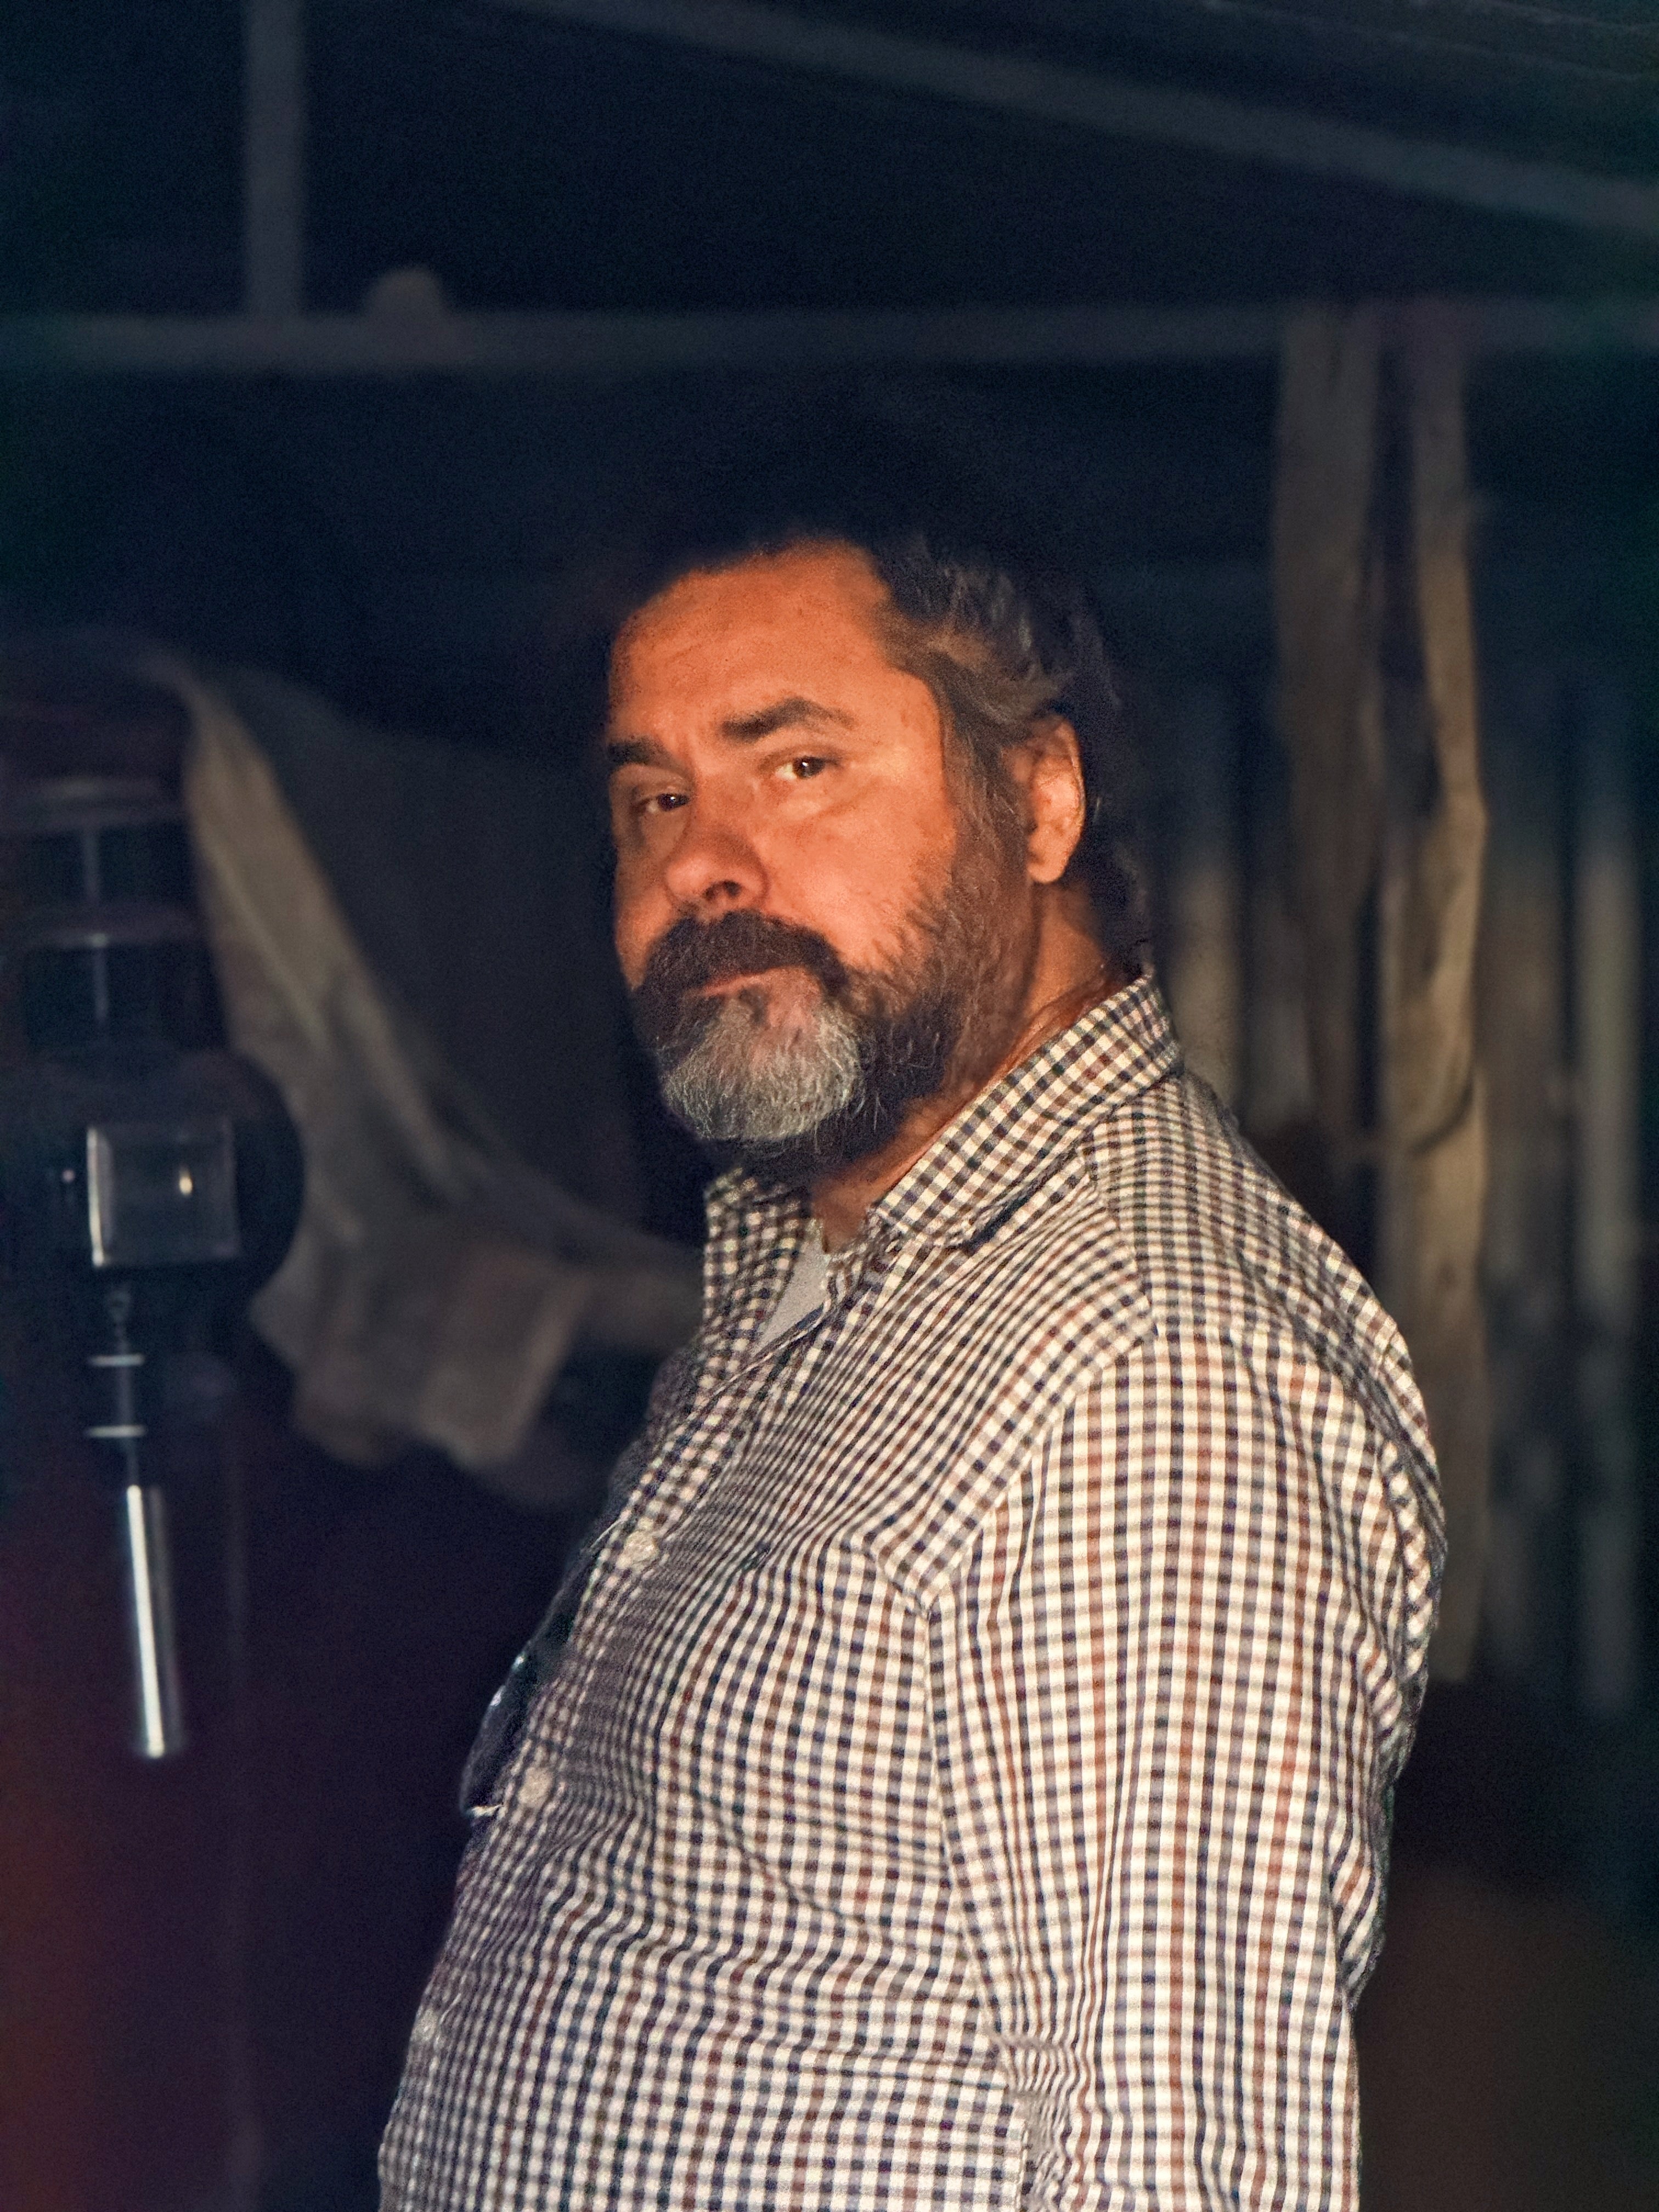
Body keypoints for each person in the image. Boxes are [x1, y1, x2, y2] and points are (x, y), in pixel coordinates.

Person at [380, 510, 1443, 2210]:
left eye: (797, 768)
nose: (704, 866)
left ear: (1041, 802)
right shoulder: (814, 1266)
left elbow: (1174, 2166)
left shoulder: (1145, 1374)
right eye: (654, 799)